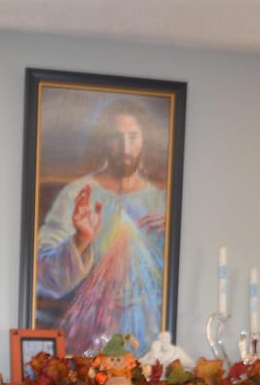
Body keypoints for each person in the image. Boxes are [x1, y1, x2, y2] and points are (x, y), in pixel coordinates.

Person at [36, 99, 167, 356]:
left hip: (149, 345)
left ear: (145, 140)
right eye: (117, 138)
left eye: (133, 137)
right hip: (92, 338)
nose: (126, 148)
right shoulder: (77, 194)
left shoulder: (162, 202)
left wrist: (171, 236)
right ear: (103, 141)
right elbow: (44, 273)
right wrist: (80, 240)